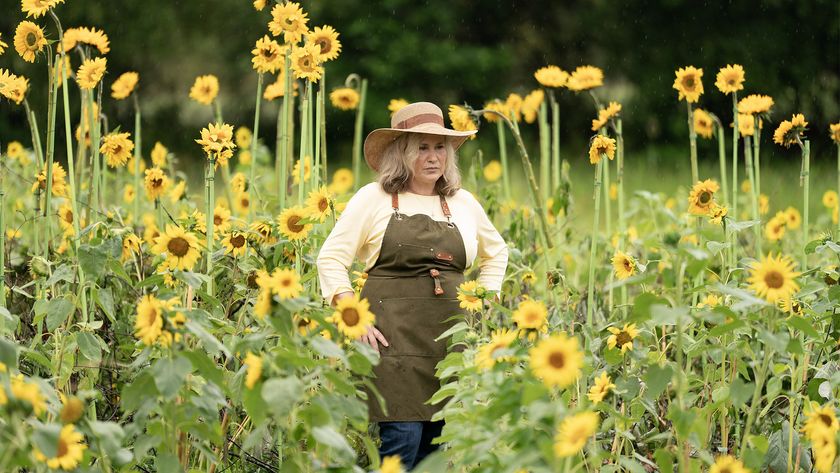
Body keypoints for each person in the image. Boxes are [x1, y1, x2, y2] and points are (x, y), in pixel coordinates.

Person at [316, 102, 508, 469]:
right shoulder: (372, 199)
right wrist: (352, 317)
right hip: (391, 338)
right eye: (422, 147)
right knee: (402, 439)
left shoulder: (462, 202)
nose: (433, 157)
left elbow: (497, 253)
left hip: (449, 342)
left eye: (440, 147)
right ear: (401, 153)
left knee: (436, 449)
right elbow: (330, 259)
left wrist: (482, 301)